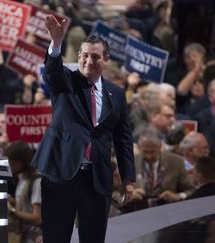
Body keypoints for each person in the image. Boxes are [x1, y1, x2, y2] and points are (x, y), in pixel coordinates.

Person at [30, 15, 135, 243]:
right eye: (84, 56)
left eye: (95, 56)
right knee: (56, 237)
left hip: (96, 179)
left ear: (106, 59)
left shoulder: (116, 94)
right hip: (61, 174)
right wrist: (56, 43)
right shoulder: (65, 80)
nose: (89, 61)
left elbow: (123, 138)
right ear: (78, 57)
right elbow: (52, 70)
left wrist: (128, 178)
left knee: (93, 238)